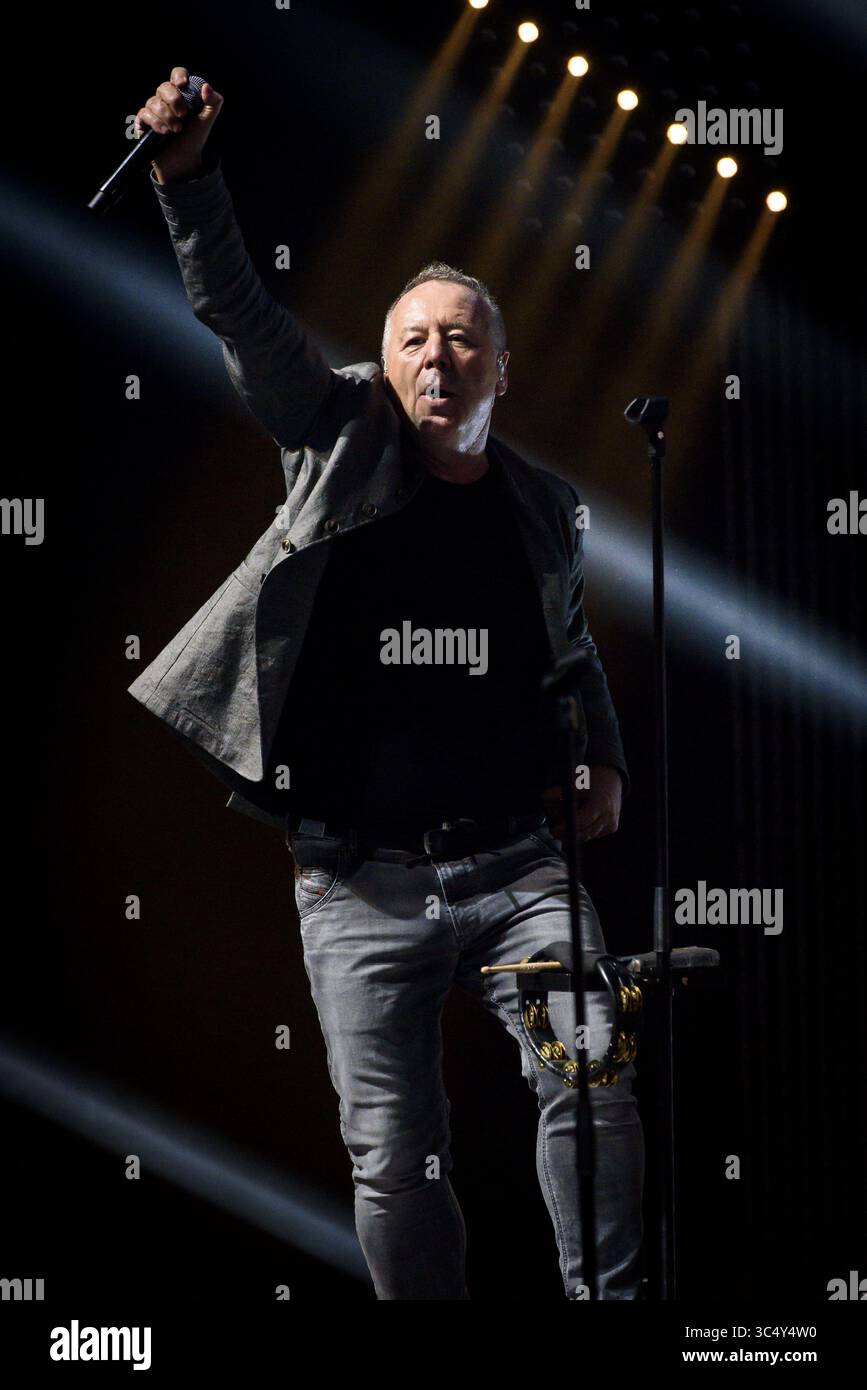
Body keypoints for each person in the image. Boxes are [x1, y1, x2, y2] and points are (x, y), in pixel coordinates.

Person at [127, 68, 645, 1299]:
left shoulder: (543, 509)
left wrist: (609, 757)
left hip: (522, 868)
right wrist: (187, 179)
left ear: (500, 369)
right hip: (359, 880)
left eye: (462, 336)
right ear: (385, 361)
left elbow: (571, 651)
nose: (436, 354)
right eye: (412, 336)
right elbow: (249, 323)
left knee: (596, 1077)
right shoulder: (336, 434)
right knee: (395, 1162)